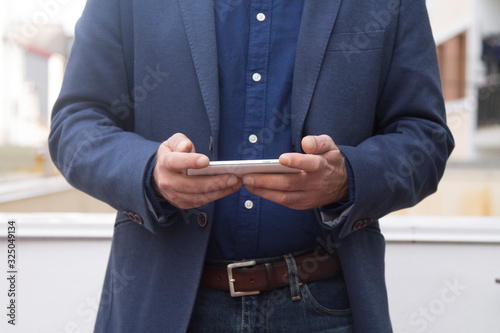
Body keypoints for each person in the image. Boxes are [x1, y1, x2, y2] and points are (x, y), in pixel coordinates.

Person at [48, 0, 454, 332]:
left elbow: (426, 137)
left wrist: (348, 178)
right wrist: (149, 172)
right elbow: (75, 124)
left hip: (328, 306)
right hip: (165, 307)